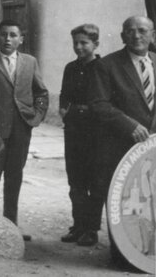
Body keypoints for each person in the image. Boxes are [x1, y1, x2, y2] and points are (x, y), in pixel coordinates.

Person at [0, 19, 49, 239]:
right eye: (3, 34)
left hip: (21, 130)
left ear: (21, 40)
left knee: (15, 175)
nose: (8, 39)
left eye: (13, 35)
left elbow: (41, 93)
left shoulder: (30, 62)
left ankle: (11, 227)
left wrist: (37, 116)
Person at [89, 15, 156, 263]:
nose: (136, 36)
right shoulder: (107, 65)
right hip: (119, 148)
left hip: (152, 151)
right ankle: (123, 256)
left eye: (142, 30)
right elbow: (98, 104)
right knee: (125, 201)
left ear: (152, 35)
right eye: (130, 31)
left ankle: (150, 257)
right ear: (122, 36)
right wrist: (130, 125)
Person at [59, 24, 103, 246]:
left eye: (84, 43)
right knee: (75, 180)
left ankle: (91, 229)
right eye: (75, 42)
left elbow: (106, 102)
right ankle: (78, 225)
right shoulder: (70, 68)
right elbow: (64, 96)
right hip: (74, 132)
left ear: (95, 44)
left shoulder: (104, 68)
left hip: (96, 134)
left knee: (94, 181)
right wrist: (65, 111)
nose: (78, 47)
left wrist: (85, 110)